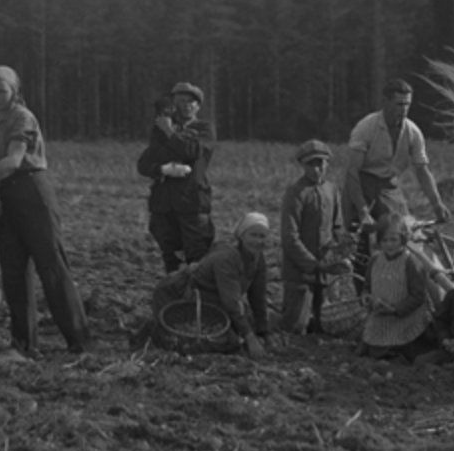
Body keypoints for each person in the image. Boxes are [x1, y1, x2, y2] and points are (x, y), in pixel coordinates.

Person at [0, 65, 90, 355]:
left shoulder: (22, 117)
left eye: (2, 91)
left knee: (51, 265)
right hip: (7, 196)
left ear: (15, 92)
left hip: (32, 191)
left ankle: (79, 341)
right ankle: (24, 344)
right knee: (13, 271)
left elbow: (12, 161)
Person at [145, 212, 271, 360]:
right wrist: (250, 337)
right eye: (253, 235)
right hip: (182, 295)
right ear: (242, 236)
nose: (258, 241)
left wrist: (263, 331)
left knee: (247, 322)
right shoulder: (227, 258)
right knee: (226, 341)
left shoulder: (257, 257)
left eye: (262, 236)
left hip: (214, 297)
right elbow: (231, 303)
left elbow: (258, 296)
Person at [342, 79, 451, 231]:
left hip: (389, 187)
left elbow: (422, 170)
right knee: (359, 235)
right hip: (361, 185)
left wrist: (436, 203)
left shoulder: (413, 132)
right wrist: (362, 210)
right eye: (399, 104)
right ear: (385, 102)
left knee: (402, 231)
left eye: (407, 104)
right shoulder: (366, 128)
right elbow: (352, 171)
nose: (404, 109)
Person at [135, 81, 217, 272]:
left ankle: (197, 291)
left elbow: (192, 151)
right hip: (163, 205)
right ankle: (175, 289)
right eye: (181, 101)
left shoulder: (204, 129)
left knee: (197, 258)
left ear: (198, 106)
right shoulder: (161, 131)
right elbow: (145, 164)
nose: (186, 105)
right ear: (173, 104)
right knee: (172, 259)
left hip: (192, 203)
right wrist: (162, 169)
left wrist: (169, 132)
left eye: (191, 101)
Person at [278, 139, 351, 335]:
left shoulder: (332, 190)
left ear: (327, 163)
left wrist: (343, 247)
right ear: (302, 165)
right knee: (296, 327)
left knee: (327, 325)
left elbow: (337, 226)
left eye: (320, 163)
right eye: (311, 164)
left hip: (327, 273)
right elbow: (289, 237)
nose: (316, 169)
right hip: (300, 273)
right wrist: (313, 264)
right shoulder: (296, 193)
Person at [359, 212, 434, 363]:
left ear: (403, 239)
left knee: (394, 349)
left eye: (394, 240)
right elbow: (367, 286)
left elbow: (418, 296)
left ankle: (403, 351)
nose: (389, 244)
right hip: (381, 314)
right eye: (384, 240)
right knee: (367, 350)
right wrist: (366, 297)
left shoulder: (410, 262)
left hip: (405, 316)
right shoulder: (375, 260)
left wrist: (395, 309)